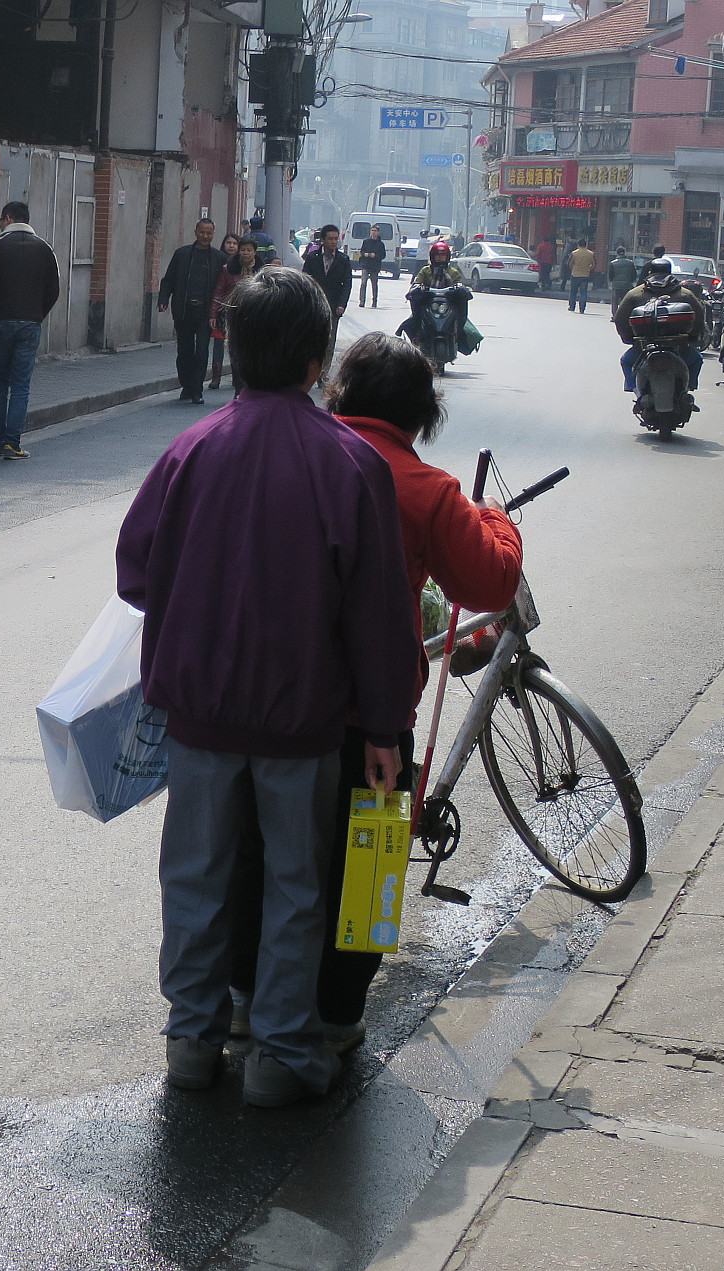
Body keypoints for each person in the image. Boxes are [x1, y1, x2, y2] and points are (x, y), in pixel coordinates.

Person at [115, 267, 417, 1109]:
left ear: (232, 347)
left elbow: (135, 572)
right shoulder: (351, 463)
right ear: (318, 358)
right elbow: (378, 616)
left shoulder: (190, 449)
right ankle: (280, 1054)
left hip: (199, 715)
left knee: (195, 875)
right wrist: (384, 728)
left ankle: (190, 1039)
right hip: (302, 720)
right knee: (295, 883)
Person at [228, 332, 522, 1048]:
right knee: (367, 865)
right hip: (374, 721)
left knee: (257, 855)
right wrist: (496, 519)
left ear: (339, 392)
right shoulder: (423, 488)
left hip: (271, 702)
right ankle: (334, 1018)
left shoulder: (293, 455)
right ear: (422, 414)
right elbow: (490, 580)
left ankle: (241, 1001)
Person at [0, 200, 61, 460]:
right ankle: (13, 443)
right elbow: (54, 289)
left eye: (1, 220)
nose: (0, 225)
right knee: (21, 385)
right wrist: (38, 313)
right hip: (30, 323)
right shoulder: (44, 248)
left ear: (9, 218)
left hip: (1, 321)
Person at [158, 218, 227, 405]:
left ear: (213, 234)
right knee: (184, 352)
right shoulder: (182, 254)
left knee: (202, 351)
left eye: (209, 233)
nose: (205, 236)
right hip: (184, 310)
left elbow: (225, 285)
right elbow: (168, 279)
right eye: (202, 232)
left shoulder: (219, 258)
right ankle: (186, 386)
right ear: (195, 232)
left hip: (206, 313)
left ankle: (197, 390)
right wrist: (163, 299)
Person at [615, 257, 706, 394]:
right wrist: (692, 338)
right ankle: (687, 389)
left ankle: (637, 392)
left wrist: (629, 339)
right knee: (696, 359)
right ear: (670, 272)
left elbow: (620, 319)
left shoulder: (635, 294)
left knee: (626, 361)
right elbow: (699, 318)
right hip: (679, 348)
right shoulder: (685, 294)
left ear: (650, 272)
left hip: (643, 348)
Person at [210, 237, 264, 395]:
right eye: (243, 250)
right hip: (234, 315)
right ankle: (239, 388)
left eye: (249, 250)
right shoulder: (228, 269)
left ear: (254, 252)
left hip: (256, 317)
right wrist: (213, 313)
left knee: (253, 353)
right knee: (236, 352)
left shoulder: (262, 270)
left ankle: (251, 386)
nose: (246, 253)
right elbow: (219, 291)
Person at [303, 224, 352, 371]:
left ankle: (323, 372)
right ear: (323, 240)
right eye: (330, 239)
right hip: (315, 305)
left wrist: (342, 304)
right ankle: (312, 369)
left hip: (333, 305)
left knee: (329, 341)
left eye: (336, 239)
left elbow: (347, 284)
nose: (333, 242)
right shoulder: (313, 258)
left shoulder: (343, 260)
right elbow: (305, 279)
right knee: (314, 340)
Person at [404, 241, 469, 340]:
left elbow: (459, 283)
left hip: (448, 302)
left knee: (463, 299)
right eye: (437, 255)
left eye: (442, 255)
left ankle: (458, 333)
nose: (439, 258)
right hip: (428, 301)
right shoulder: (425, 270)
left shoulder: (453, 272)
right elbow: (417, 283)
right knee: (414, 298)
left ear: (447, 257)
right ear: (432, 256)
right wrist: (417, 288)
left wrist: (460, 289)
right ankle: (418, 332)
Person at [209, 233, 240, 390]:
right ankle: (216, 378)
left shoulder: (244, 265)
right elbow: (218, 291)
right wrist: (213, 313)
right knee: (218, 344)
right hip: (223, 311)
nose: (231, 246)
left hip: (239, 312)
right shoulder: (220, 264)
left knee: (236, 345)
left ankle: (237, 377)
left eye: (235, 243)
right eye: (228, 242)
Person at [357, 225, 388, 307]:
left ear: (378, 232)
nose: (373, 232)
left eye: (375, 231)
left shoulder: (380, 244)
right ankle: (362, 301)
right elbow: (362, 251)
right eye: (372, 230)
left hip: (375, 266)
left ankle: (374, 301)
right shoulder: (366, 241)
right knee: (363, 283)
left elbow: (383, 255)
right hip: (365, 265)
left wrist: (375, 255)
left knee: (374, 284)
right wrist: (365, 254)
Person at [607, 245, 638, 316]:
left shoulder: (613, 263)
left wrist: (612, 282)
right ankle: (624, 315)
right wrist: (631, 281)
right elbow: (634, 274)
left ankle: (615, 315)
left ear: (617, 253)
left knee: (615, 302)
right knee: (625, 302)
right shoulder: (630, 263)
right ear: (624, 252)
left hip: (616, 285)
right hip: (627, 285)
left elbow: (610, 275)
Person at [567, 239, 596, 313]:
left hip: (575, 274)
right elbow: (594, 264)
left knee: (573, 292)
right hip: (585, 275)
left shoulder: (574, 253)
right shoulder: (591, 253)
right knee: (583, 292)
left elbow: (570, 263)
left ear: (578, 245)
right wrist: (589, 269)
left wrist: (573, 268)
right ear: (586, 245)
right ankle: (582, 308)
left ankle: (572, 306)